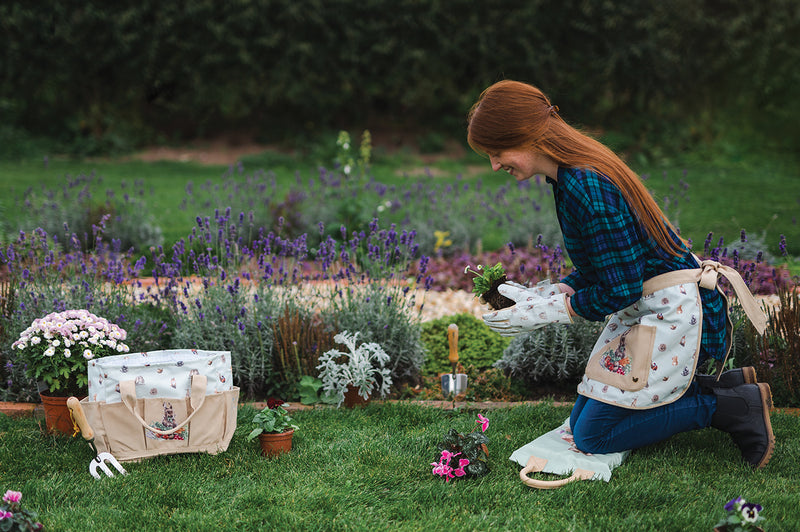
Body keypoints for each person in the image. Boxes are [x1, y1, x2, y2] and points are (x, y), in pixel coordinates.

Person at [467, 79, 774, 468]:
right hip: (647, 306)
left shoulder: (585, 184)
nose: (495, 165)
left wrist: (553, 311)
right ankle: (724, 386)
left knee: (593, 436)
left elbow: (622, 288)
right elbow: (609, 264)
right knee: (578, 423)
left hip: (670, 310)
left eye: (497, 152)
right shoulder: (568, 177)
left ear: (526, 136)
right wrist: (551, 291)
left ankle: (728, 407)